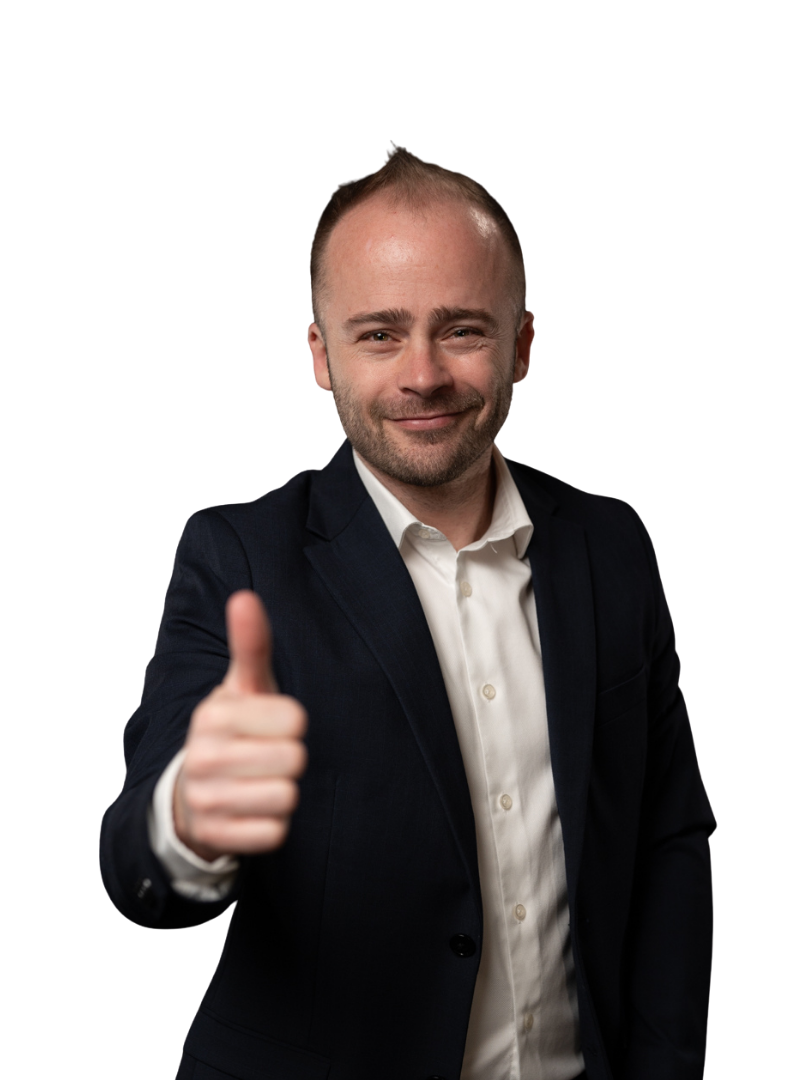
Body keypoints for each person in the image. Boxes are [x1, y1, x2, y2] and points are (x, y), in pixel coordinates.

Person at [100, 143, 715, 1080]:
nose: (422, 374)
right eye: (379, 334)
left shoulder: (613, 545)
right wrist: (188, 815)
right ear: (321, 356)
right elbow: (135, 858)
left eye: (461, 329)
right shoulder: (237, 557)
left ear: (523, 345)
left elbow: (670, 838)